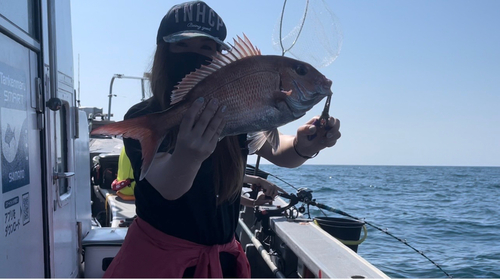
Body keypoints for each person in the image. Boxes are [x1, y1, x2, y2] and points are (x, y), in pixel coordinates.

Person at [103, 1, 341, 278]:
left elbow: (276, 150)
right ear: (163, 52)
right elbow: (168, 189)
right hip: (159, 262)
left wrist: (304, 145)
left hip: (221, 260)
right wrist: (188, 155)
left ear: (219, 57)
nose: (195, 54)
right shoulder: (147, 118)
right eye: (182, 45)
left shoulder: (235, 113)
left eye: (206, 48)